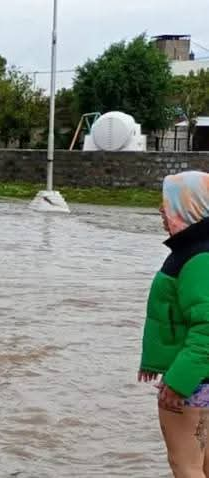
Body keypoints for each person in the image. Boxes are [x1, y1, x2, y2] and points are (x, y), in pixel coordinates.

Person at [138, 171, 209, 477]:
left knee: (185, 465)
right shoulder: (197, 248)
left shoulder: (199, 255)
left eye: (167, 202)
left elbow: (206, 328)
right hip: (201, 378)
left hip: (194, 382)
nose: (160, 209)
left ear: (190, 205)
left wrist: (178, 380)